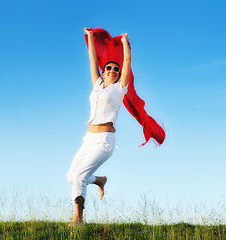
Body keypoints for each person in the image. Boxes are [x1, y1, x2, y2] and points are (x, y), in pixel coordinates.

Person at [66, 27, 131, 226]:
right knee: (71, 177)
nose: (112, 70)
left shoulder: (119, 89)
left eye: (116, 69)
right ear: (104, 72)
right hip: (88, 139)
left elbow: (127, 61)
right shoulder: (97, 85)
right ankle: (99, 180)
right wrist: (90, 37)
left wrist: (125, 43)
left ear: (119, 74)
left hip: (104, 141)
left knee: (79, 176)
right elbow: (92, 60)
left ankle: (78, 218)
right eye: (109, 68)